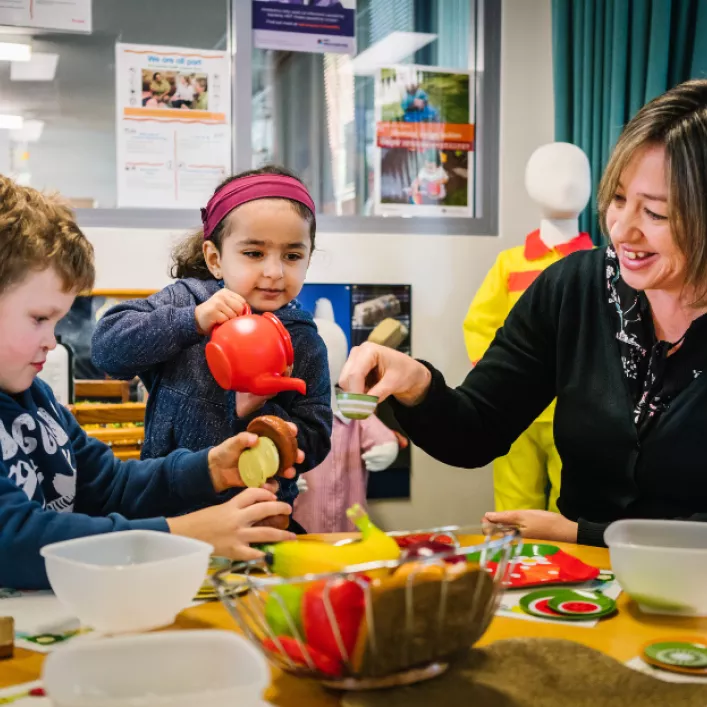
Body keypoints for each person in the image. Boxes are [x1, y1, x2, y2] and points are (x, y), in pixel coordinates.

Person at [338, 79, 707, 547]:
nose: (622, 230)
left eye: (656, 214)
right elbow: (476, 431)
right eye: (617, 199)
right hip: (584, 601)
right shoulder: (573, 287)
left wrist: (582, 534)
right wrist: (416, 384)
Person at [0, 177, 299, 590]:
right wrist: (183, 535)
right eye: (39, 319)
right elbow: (13, 541)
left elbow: (111, 486)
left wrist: (210, 469)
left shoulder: (36, 398)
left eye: (57, 321)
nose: (52, 341)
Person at [91, 166, 332, 530]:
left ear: (309, 258)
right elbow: (107, 348)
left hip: (255, 518)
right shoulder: (187, 301)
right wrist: (191, 321)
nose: (274, 272)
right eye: (253, 253)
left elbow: (315, 437)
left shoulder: (303, 339)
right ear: (215, 257)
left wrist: (260, 414)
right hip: (167, 515)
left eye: (292, 256)